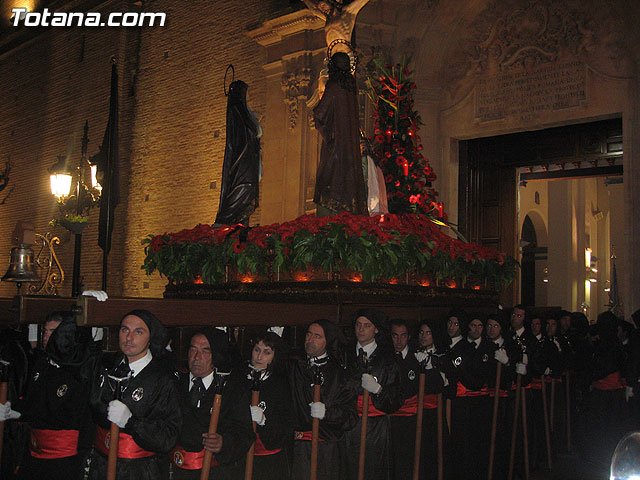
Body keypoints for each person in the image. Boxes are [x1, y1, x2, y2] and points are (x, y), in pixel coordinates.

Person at [1, 312, 97, 480]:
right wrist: (14, 410)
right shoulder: (42, 363)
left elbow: (56, 410)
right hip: (35, 451)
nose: (47, 336)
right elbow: (34, 400)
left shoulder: (77, 369)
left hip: (62, 457)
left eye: (53, 332)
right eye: (45, 331)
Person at [88, 310, 181, 480]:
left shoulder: (163, 379)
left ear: (150, 337)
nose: (129, 338)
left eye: (138, 332)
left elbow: (169, 436)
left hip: (139, 471)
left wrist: (132, 423)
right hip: (101, 466)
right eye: (125, 330)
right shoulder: (107, 367)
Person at [169, 328, 254, 479]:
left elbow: (244, 432)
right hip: (176, 470)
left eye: (205, 351)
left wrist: (223, 443)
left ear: (215, 355)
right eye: (193, 349)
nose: (196, 357)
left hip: (215, 472)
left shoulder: (230, 390)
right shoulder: (174, 383)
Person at [290, 319, 357, 480]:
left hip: (328, 448)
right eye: (309, 334)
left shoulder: (339, 375)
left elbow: (351, 417)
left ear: (328, 341)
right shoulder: (295, 367)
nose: (310, 340)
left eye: (317, 336)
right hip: (299, 446)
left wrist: (327, 413)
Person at [344, 308, 402, 480]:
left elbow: (396, 398)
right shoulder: (344, 355)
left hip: (376, 427)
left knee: (375, 470)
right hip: (350, 424)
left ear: (376, 329)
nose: (361, 330)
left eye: (367, 326)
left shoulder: (388, 359)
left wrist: (378, 390)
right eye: (358, 325)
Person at [312, 50, 367, 215]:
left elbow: (320, 113)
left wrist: (317, 113)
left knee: (329, 179)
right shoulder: (350, 90)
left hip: (335, 144)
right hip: (350, 147)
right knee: (347, 179)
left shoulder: (334, 86)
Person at [240, 330, 291, 480]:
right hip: (240, 456)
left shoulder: (280, 385)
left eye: (266, 352)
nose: (259, 356)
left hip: (268, 461)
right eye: (257, 350)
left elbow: (284, 426)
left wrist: (263, 421)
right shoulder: (239, 379)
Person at [388, 319, 420, 479]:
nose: (399, 341)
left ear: (408, 337)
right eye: (395, 336)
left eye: (403, 336)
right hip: (389, 419)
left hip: (410, 419)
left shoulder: (417, 358)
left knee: (408, 460)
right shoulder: (386, 358)